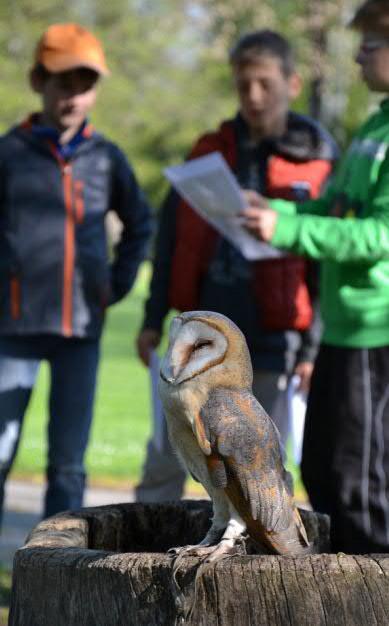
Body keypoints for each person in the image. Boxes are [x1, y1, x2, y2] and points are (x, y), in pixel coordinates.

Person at [135, 30, 338, 502]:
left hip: (273, 339)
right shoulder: (209, 152)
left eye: (265, 83)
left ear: (292, 82)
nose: (253, 96)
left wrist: (311, 349)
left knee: (258, 465)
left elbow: (325, 263)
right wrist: (151, 318)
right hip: (200, 335)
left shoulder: (317, 164)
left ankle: (253, 569)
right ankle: (144, 559)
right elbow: (171, 240)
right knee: (169, 453)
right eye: (243, 84)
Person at [241, 0, 389, 554]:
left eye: (371, 44)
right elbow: (338, 213)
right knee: (324, 472)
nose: (358, 55)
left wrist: (284, 229)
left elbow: (378, 236)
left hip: (376, 335)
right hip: (342, 333)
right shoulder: (375, 123)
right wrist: (279, 215)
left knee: (362, 486)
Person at [0, 23, 151, 524]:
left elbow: (140, 223)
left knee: (67, 466)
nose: (74, 96)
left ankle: (55, 576)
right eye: (64, 83)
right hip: (12, 331)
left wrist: (116, 283)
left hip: (82, 332)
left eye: (85, 85)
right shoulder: (9, 154)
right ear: (37, 81)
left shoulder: (105, 159)